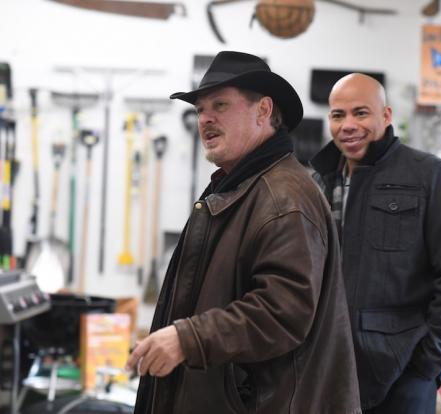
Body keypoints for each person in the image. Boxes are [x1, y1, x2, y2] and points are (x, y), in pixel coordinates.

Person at [127, 51, 361, 414]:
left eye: (220, 105)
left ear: (263, 110)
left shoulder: (283, 198)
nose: (205, 118)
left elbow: (283, 312)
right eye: (200, 109)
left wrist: (187, 340)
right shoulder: (242, 186)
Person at [311, 73, 441, 413]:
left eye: (360, 113)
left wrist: (428, 365)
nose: (348, 125)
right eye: (338, 115)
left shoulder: (429, 175)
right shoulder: (320, 180)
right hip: (331, 367)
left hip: (404, 373)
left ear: (385, 116)